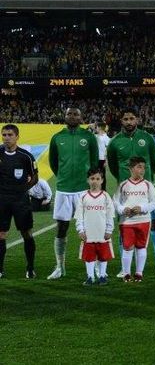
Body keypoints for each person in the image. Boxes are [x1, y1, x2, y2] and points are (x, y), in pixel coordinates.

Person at [107, 107, 155, 276]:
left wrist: (145, 179)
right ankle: (124, 268)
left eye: (132, 118)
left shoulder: (147, 138)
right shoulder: (115, 142)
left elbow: (153, 163)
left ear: (138, 120)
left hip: (145, 190)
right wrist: (124, 180)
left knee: (154, 225)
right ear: (121, 121)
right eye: (125, 119)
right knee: (124, 226)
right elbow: (113, 166)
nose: (129, 122)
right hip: (125, 192)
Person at [47, 108, 99, 280]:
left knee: (89, 229)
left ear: (81, 117)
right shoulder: (57, 138)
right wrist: (62, 176)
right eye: (69, 114)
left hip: (83, 189)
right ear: (65, 116)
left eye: (76, 114)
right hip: (63, 189)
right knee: (61, 228)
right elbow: (53, 162)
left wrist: (92, 184)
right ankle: (60, 267)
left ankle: (93, 267)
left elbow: (94, 162)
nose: (72, 117)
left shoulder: (89, 137)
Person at [0, 124, 38, 279]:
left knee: (26, 233)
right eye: (4, 135)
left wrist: (23, 189)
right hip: (1, 200)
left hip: (20, 201)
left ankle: (30, 268)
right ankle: (0, 269)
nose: (6, 138)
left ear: (17, 136)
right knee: (1, 234)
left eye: (10, 135)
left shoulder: (26, 156)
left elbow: (35, 177)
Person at [113, 156, 155, 282]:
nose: (142, 170)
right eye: (139, 167)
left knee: (141, 247)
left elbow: (154, 203)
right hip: (127, 221)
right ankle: (126, 274)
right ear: (131, 168)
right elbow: (115, 202)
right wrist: (123, 210)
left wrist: (142, 208)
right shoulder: (123, 185)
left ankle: (139, 273)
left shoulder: (148, 185)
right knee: (127, 247)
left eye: (143, 167)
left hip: (144, 220)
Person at [75, 168, 115, 286]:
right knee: (89, 257)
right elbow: (79, 216)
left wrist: (109, 229)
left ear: (102, 180)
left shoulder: (106, 196)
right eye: (92, 178)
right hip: (89, 233)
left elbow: (110, 215)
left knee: (103, 256)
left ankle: (102, 276)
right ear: (88, 180)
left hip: (102, 233)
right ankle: (90, 277)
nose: (95, 181)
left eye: (98, 179)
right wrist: (80, 230)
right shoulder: (83, 197)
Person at [95, 122, 110, 191]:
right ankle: (96, 189)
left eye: (97, 127)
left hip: (102, 160)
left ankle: (103, 190)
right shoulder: (97, 136)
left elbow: (108, 150)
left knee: (102, 175)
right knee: (94, 175)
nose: (96, 129)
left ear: (100, 128)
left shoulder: (106, 138)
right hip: (96, 159)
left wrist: (106, 161)